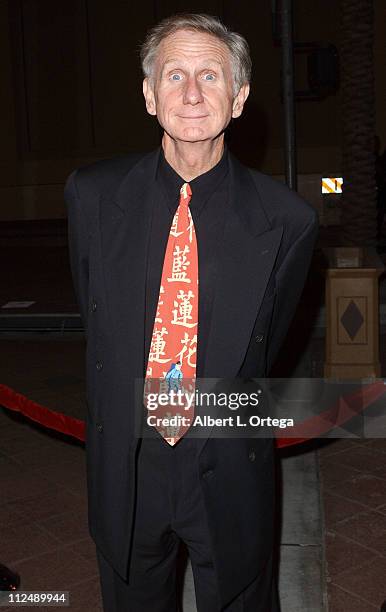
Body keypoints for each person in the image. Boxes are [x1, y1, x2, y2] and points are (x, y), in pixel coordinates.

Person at [65, 13, 318, 612]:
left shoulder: (289, 220)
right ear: (150, 96)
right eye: (174, 75)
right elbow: (96, 316)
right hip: (127, 465)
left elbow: (267, 340)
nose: (193, 94)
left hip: (228, 459)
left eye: (211, 75)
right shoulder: (93, 196)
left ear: (240, 97)